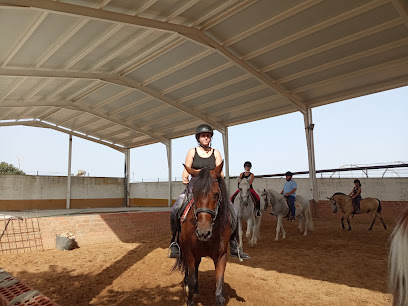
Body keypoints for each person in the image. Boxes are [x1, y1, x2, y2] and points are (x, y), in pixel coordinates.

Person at [169, 124, 250, 260]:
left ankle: (234, 244)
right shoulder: (192, 151)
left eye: (208, 135)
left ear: (211, 138)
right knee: (176, 207)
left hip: (212, 185)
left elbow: (221, 173)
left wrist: (215, 176)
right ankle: (174, 241)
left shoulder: (216, 153)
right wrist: (185, 177)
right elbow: (186, 169)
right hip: (196, 185)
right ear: (198, 138)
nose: (206, 138)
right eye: (203, 136)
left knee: (233, 211)